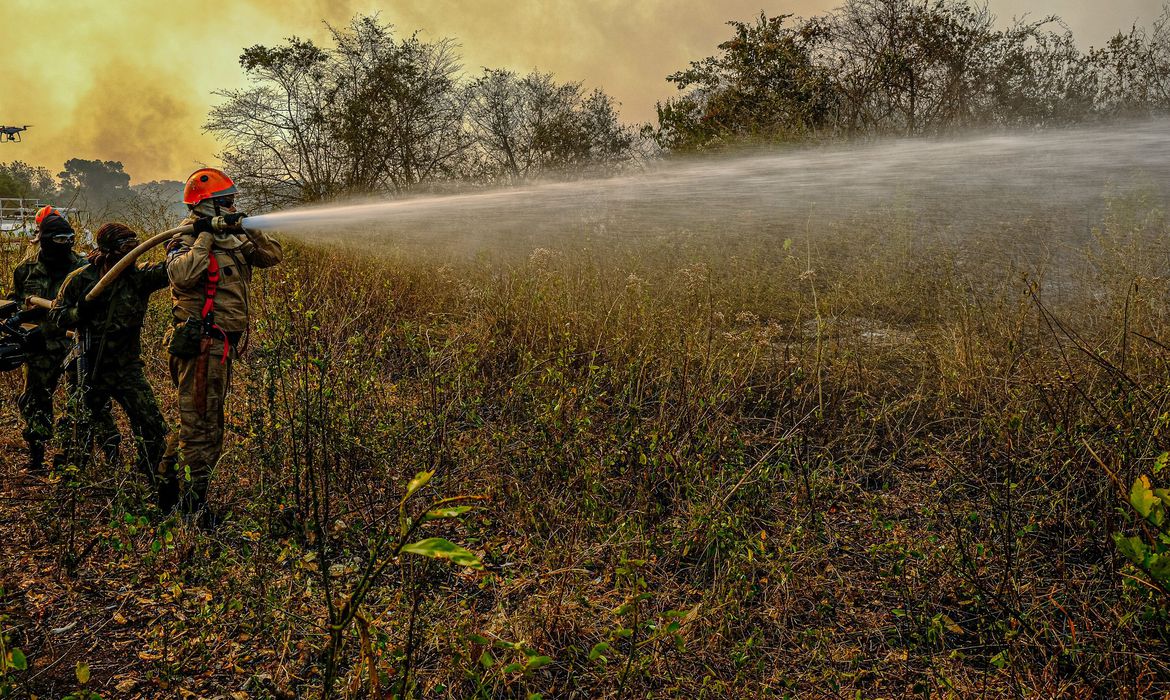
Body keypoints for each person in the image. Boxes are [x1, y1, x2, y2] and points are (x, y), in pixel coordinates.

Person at [160, 168, 282, 524]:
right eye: (226, 201)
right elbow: (181, 275)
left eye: (232, 201)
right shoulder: (184, 240)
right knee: (204, 428)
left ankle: (166, 488)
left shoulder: (234, 238)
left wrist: (248, 227)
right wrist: (204, 237)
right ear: (206, 206)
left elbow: (271, 256)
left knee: (195, 421)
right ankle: (192, 507)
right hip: (202, 346)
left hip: (222, 346)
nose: (232, 206)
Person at [50, 223, 169, 503]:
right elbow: (57, 317)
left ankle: (156, 478)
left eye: (133, 247)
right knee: (78, 426)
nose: (131, 255)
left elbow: (170, 271)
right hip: (89, 365)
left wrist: (191, 236)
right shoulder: (81, 279)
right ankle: (69, 485)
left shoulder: (138, 277)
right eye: (123, 249)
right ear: (106, 251)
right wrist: (81, 309)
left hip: (126, 366)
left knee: (150, 421)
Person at [9, 206, 118, 471]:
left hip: (76, 346)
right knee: (35, 401)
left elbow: (95, 310)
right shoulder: (26, 270)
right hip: (39, 348)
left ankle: (103, 460)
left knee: (86, 403)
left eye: (69, 239)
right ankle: (36, 459)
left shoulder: (84, 269)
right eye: (58, 239)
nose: (65, 244)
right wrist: (21, 327)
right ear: (44, 240)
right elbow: (16, 304)